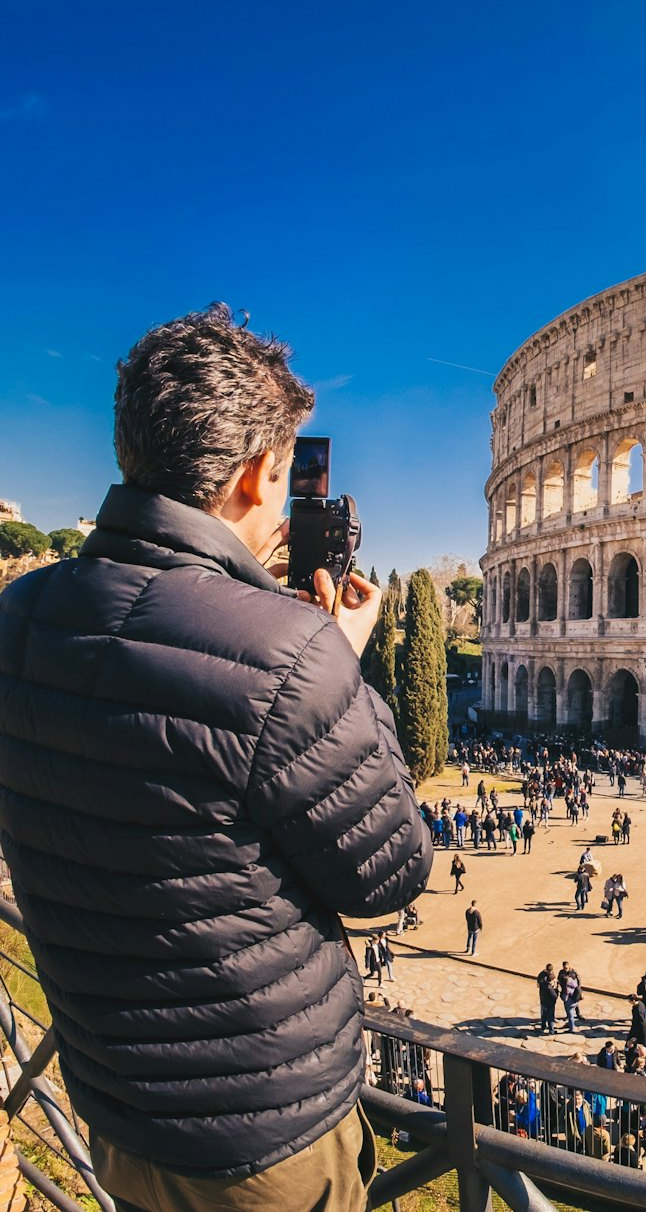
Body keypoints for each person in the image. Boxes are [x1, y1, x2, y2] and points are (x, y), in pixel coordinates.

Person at [0, 304, 434, 1210]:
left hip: (112, 1101)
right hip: (263, 1131)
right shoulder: (292, 652)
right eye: (283, 480)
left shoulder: (18, 616)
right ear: (253, 473)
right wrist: (342, 670)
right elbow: (388, 876)